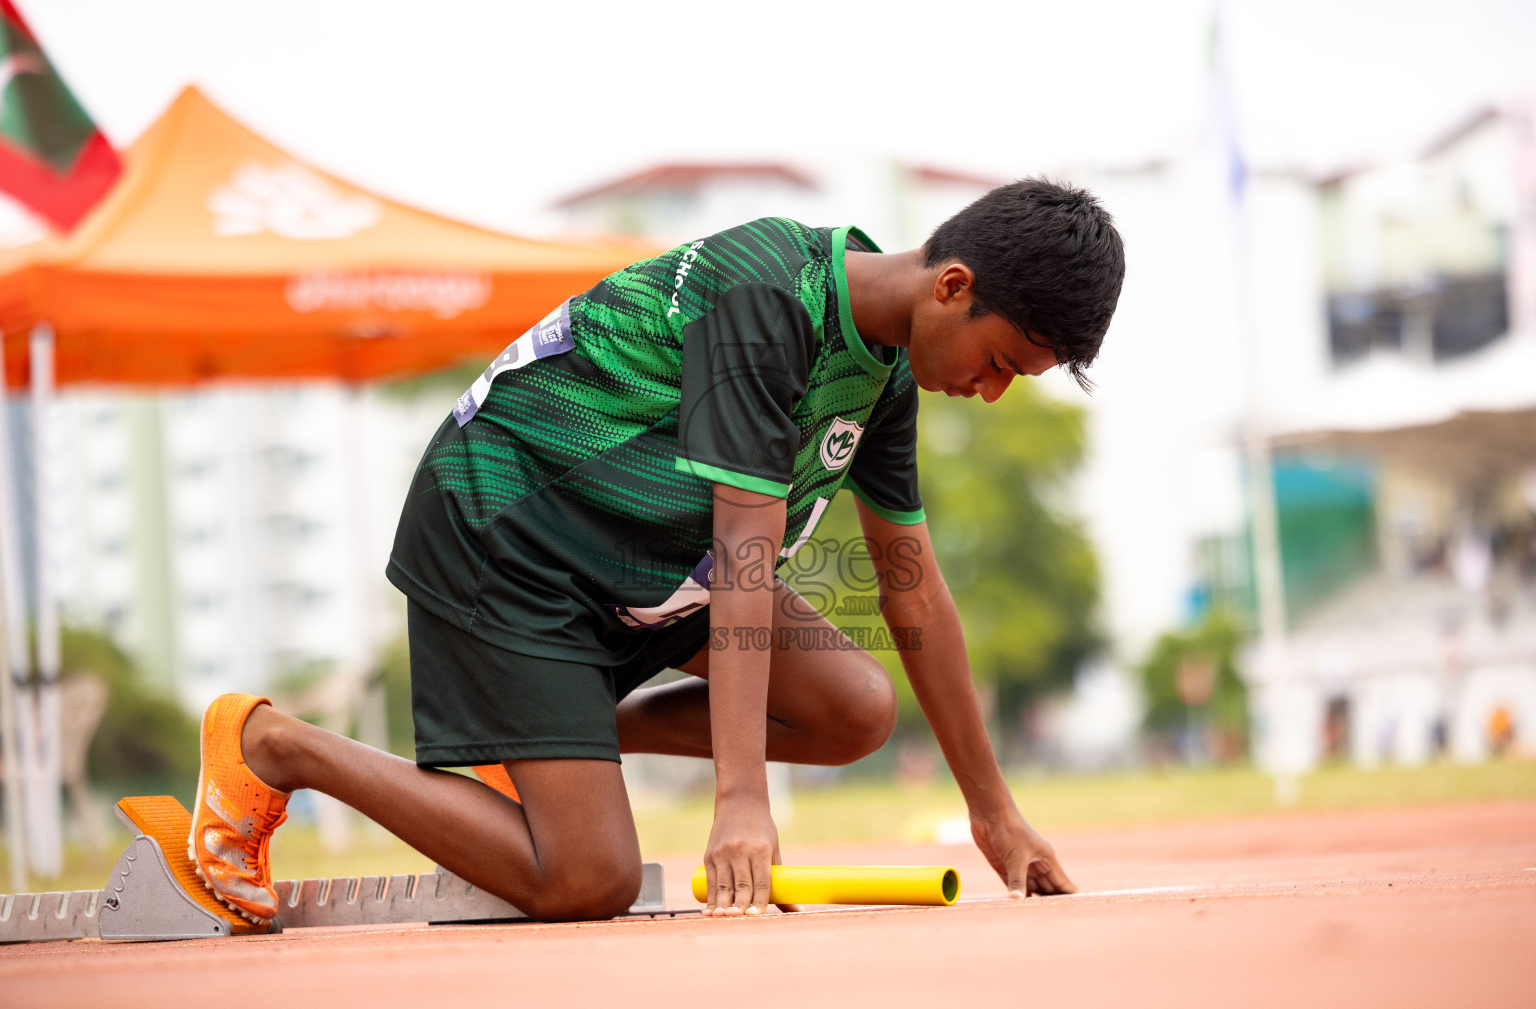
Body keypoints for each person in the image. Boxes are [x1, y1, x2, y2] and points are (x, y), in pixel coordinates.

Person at [189, 177, 1125, 925]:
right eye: (1001, 362)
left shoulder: (885, 375)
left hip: (642, 569)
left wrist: (994, 813)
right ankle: (278, 745)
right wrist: (740, 799)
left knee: (854, 710)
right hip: (508, 532)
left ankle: (564, 734)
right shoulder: (768, 294)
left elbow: (913, 590)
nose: (994, 391)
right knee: (586, 881)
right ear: (952, 286)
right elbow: (747, 546)